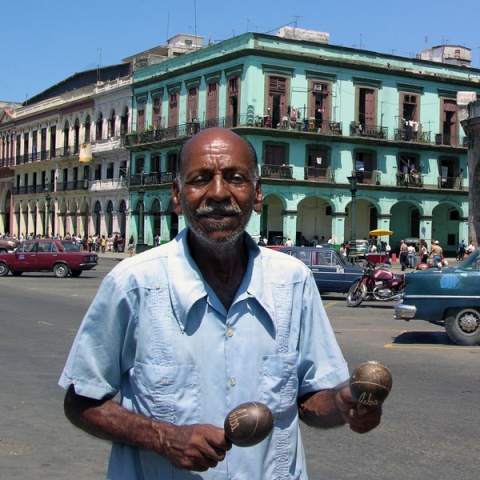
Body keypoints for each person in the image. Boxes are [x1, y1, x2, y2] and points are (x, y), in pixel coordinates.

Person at [58, 128, 382, 479]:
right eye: (199, 180)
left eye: (235, 178)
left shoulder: (293, 282)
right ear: (177, 196)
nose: (217, 193)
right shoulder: (133, 283)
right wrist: (164, 438)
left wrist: (342, 406)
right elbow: (81, 402)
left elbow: (309, 397)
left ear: (257, 195)